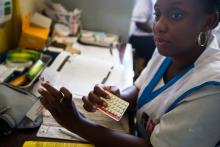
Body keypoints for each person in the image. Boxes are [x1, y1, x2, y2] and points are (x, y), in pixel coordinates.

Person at [38, 0, 220, 146]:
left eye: (176, 15)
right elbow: (140, 89)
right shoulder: (170, 49)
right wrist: (114, 99)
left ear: (208, 22)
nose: (158, 26)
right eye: (158, 14)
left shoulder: (212, 89)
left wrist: (77, 124)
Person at [128, 0, 156, 79]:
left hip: (146, 39)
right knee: (139, 73)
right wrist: (156, 31)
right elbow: (139, 21)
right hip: (142, 40)